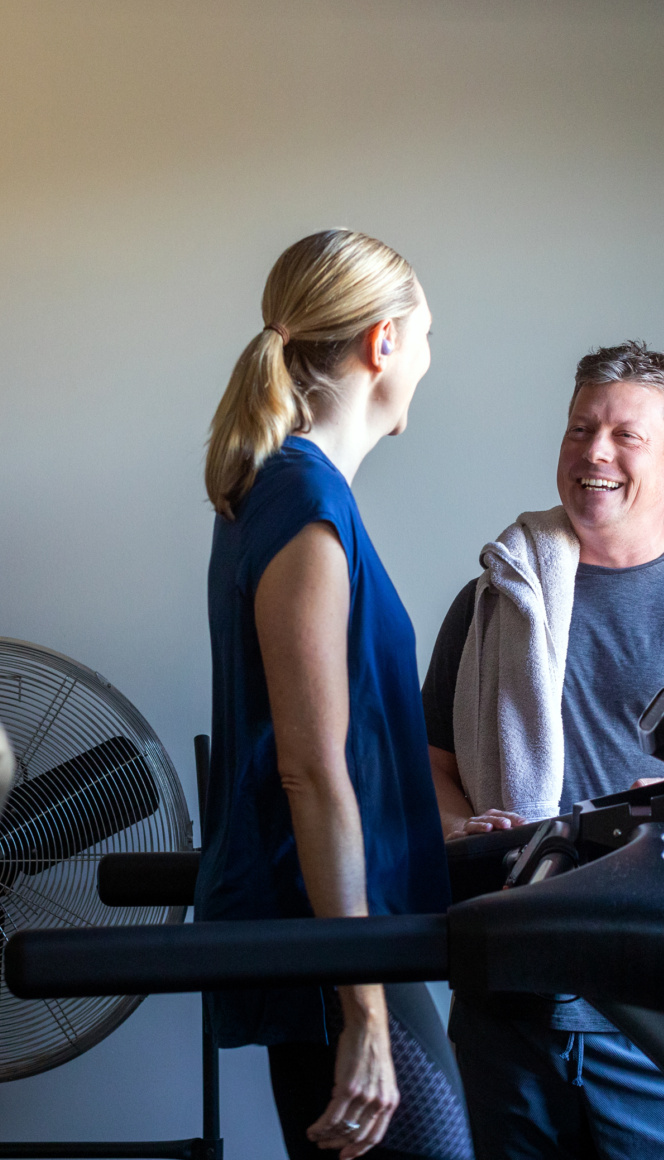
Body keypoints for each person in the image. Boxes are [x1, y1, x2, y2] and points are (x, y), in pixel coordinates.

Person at [421, 341, 664, 1160]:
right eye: (579, 430)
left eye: (624, 436)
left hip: (660, 1009)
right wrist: (464, 828)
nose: (594, 453)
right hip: (508, 996)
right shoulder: (493, 599)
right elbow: (434, 770)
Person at [196, 229, 469, 1160]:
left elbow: (336, 751)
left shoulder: (287, 495)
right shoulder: (304, 508)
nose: (430, 363)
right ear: (382, 343)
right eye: (425, 338)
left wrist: (433, 828)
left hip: (344, 930)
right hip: (336, 953)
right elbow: (310, 774)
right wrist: (364, 1012)